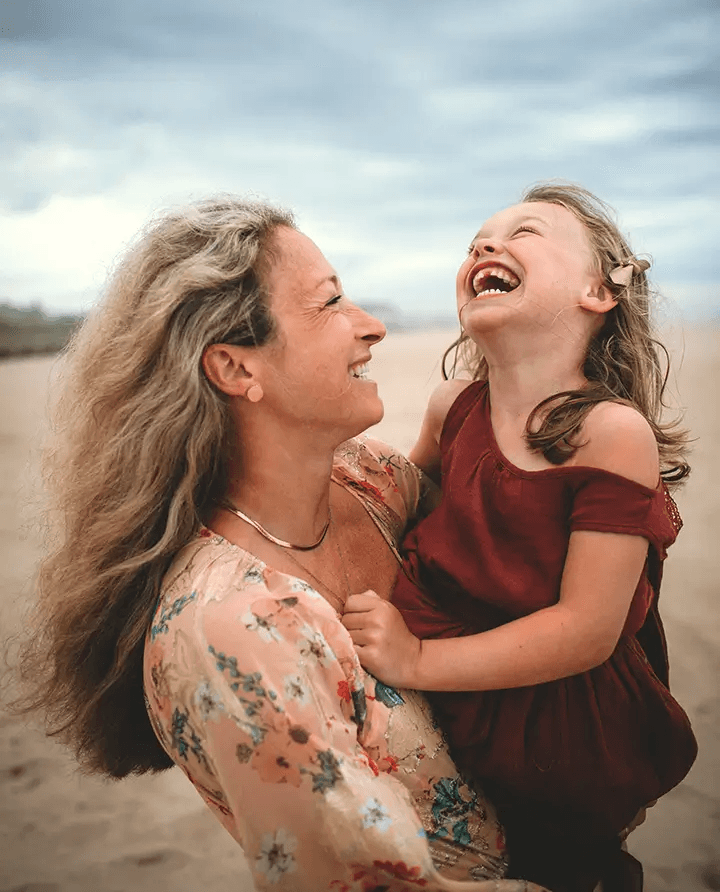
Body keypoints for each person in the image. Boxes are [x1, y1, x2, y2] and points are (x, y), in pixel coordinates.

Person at [13, 197, 544, 892]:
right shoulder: (230, 625)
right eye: (330, 304)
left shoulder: (372, 480)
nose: (372, 326)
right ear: (236, 370)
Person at [342, 183, 698, 892]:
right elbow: (402, 516)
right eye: (477, 238)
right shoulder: (453, 408)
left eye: (524, 233)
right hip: (447, 691)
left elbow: (586, 629)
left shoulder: (608, 433)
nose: (485, 245)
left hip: (552, 723)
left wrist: (415, 659)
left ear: (598, 292)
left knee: (558, 870)